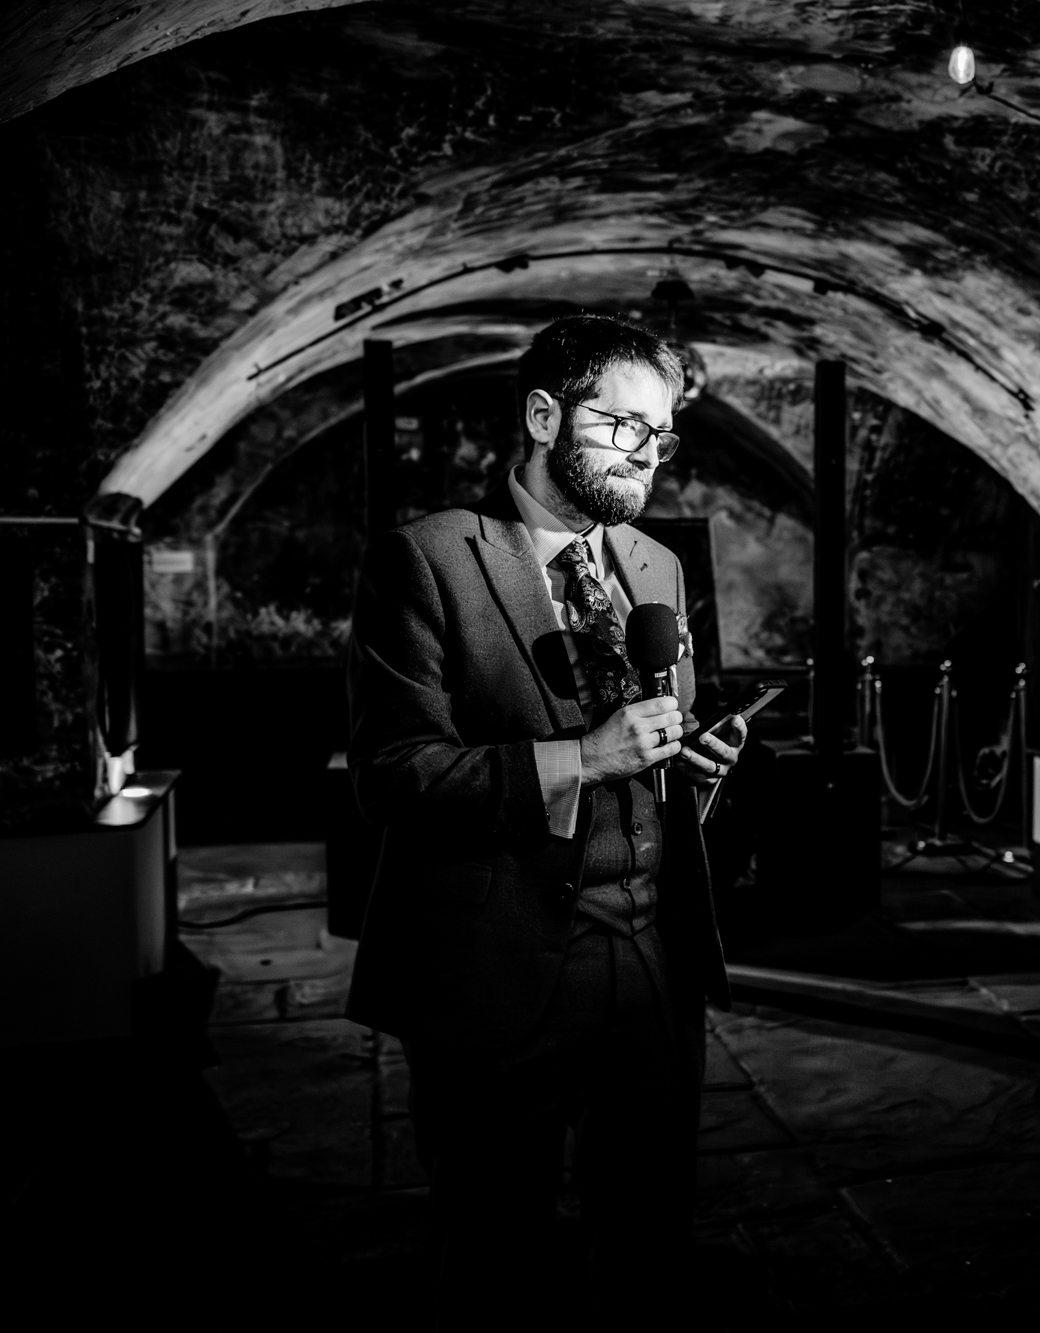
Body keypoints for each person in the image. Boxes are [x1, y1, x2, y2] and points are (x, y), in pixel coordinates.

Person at [345, 313, 748, 1307]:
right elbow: (395, 774)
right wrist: (582, 758)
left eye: (661, 435)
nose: (645, 453)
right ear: (542, 415)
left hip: (651, 957)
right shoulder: (429, 558)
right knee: (497, 1249)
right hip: (499, 960)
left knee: (649, 1235)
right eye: (623, 425)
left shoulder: (656, 566)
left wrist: (695, 768)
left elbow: (652, 756)